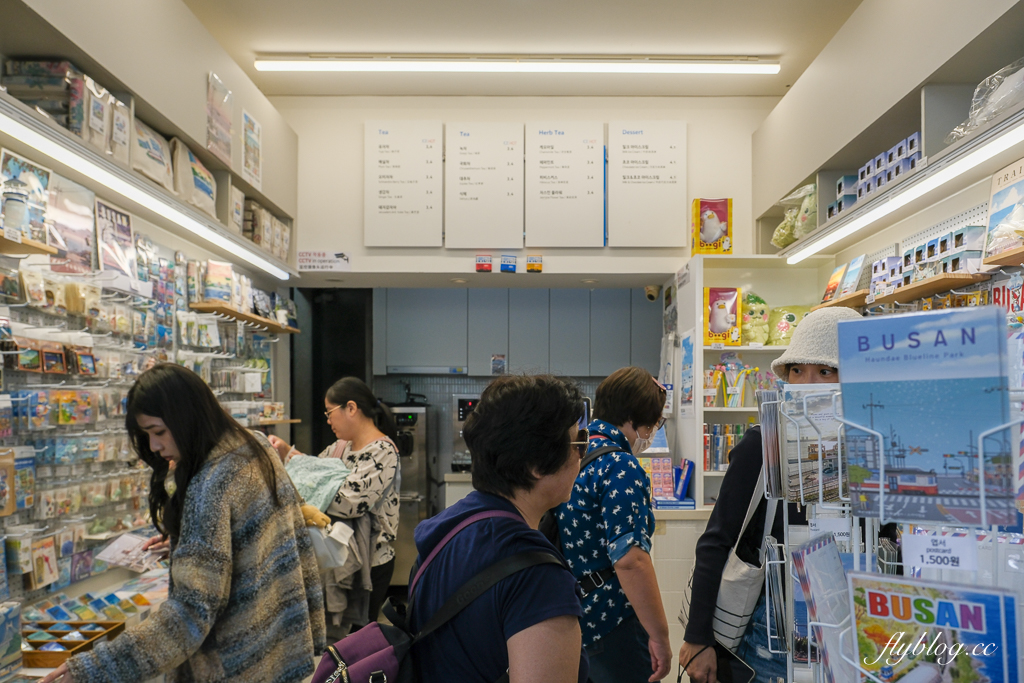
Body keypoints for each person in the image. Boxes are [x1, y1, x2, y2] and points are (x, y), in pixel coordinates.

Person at [41, 363, 325, 683]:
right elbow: (283, 537)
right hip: (277, 649)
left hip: (233, 664)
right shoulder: (254, 445)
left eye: (158, 431)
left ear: (186, 416)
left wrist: (95, 669)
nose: (153, 446)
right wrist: (187, 543)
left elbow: (190, 614)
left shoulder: (211, 485)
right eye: (146, 434)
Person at [679, 307, 860, 683]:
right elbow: (716, 541)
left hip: (856, 635)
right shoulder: (764, 444)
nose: (808, 383)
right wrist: (697, 639)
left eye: (826, 371)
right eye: (797, 370)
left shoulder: (874, 449)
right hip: (770, 641)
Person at [408, 374, 589, 683]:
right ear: (536, 463)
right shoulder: (538, 577)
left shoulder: (444, 532)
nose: (582, 456)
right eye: (579, 442)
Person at [556, 366, 672, 683]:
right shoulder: (621, 465)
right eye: (655, 422)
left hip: (575, 608)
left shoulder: (574, 452)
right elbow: (631, 560)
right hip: (613, 616)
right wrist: (660, 636)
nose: (652, 432)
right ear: (638, 420)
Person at [269, 376, 399, 627]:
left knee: (358, 640)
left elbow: (349, 502)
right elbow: (315, 470)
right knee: (337, 639)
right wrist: (286, 451)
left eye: (330, 413)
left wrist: (302, 496)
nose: (327, 421)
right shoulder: (340, 447)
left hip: (370, 563)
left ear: (351, 408)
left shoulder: (383, 451)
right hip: (335, 558)